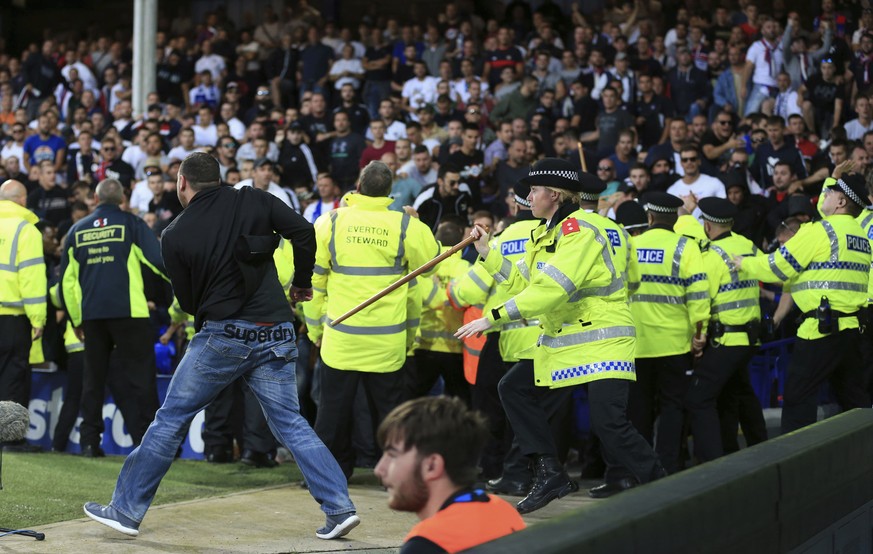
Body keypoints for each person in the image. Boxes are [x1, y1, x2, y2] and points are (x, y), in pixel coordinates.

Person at [83, 152, 360, 540]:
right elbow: (304, 231)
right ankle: (339, 507)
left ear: (182, 183)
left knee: (171, 419)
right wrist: (301, 282)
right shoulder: (255, 199)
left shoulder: (175, 234)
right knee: (292, 424)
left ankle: (126, 511)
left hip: (223, 336)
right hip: (278, 330)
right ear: (220, 177)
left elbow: (189, 302)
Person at [457, 158, 665, 513]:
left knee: (609, 423)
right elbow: (527, 282)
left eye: (534, 190)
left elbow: (552, 290)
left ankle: (667, 487)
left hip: (602, 338)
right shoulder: (549, 230)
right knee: (513, 387)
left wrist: (492, 317)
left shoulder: (579, 230)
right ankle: (549, 472)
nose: (528, 196)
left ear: (553, 194)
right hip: (569, 338)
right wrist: (488, 253)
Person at [303, 161, 441, 479]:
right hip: (386, 342)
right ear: (389, 191)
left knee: (332, 411)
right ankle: (395, 473)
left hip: (340, 338)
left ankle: (328, 474)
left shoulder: (330, 222)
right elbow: (432, 263)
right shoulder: (406, 226)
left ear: (358, 185)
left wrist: (314, 330)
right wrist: (418, 223)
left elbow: (314, 283)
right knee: (390, 413)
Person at [733, 174, 872, 434]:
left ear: (841, 201)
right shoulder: (860, 236)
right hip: (851, 330)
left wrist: (745, 263)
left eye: (829, 193)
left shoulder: (821, 231)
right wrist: (832, 178)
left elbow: (776, 267)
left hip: (821, 331)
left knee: (797, 401)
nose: (823, 197)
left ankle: (796, 468)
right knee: (856, 403)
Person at [58, 179, 166, 457]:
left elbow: (66, 283)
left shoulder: (76, 230)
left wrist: (76, 319)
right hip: (130, 312)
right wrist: (189, 284)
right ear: (122, 198)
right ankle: (149, 444)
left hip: (92, 316)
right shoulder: (132, 224)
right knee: (141, 377)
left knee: (93, 380)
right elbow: (158, 261)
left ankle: (90, 442)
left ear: (95, 197)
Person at [374, 396, 526, 553]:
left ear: (432, 466)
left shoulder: (427, 544)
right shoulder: (503, 512)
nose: (379, 469)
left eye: (392, 455)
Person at [628, 191, 710, 475]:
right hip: (675, 345)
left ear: (649, 217)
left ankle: (640, 469)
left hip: (636, 346)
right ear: (675, 218)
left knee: (638, 411)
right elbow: (699, 297)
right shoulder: (686, 248)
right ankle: (668, 466)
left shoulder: (632, 246)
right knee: (672, 408)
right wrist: (700, 335)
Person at [685, 197, 767, 464]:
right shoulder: (748, 246)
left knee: (699, 397)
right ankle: (750, 449)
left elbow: (702, 302)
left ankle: (711, 461)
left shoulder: (710, 256)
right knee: (735, 393)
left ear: (707, 226)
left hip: (726, 338)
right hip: (750, 338)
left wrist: (698, 337)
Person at [0, 180, 46, 422]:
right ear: (22, 200)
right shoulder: (25, 229)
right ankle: (10, 439)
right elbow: (32, 278)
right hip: (13, 319)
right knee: (12, 379)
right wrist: (38, 318)